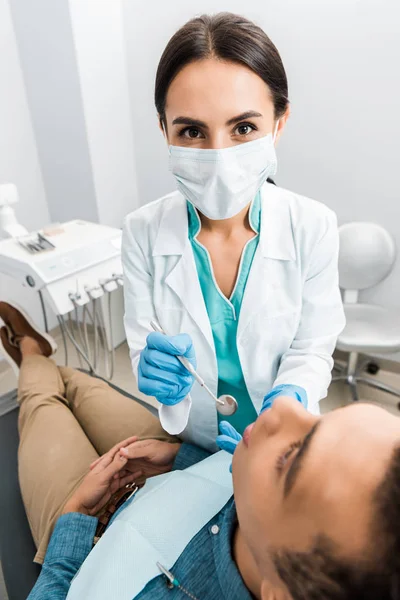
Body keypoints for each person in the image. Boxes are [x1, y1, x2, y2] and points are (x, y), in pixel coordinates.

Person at [1, 304, 399, 599]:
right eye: (325, 418)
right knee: (86, 388)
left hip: (90, 533)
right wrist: (180, 458)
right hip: (170, 473)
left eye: (290, 458)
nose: (283, 407)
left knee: (42, 403)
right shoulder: (280, 523)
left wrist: (76, 517)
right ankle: (49, 364)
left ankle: (33, 355)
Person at [122, 12, 345, 450]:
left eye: (244, 128)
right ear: (164, 129)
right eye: (191, 131)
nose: (219, 157)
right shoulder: (142, 233)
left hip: (283, 438)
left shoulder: (313, 226)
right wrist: (153, 372)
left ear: (278, 124)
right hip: (194, 436)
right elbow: (143, 347)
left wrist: (290, 395)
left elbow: (312, 348)